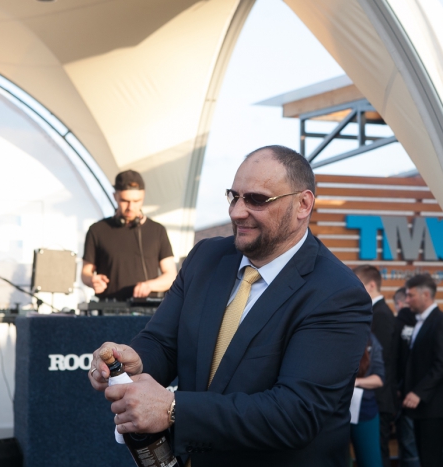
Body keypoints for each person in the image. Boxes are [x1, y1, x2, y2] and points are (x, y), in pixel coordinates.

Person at [88, 145, 372, 466]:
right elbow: (164, 342)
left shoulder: (336, 293)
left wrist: (173, 409)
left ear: (303, 204)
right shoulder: (206, 258)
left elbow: (295, 414)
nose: (237, 212)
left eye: (256, 199)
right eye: (234, 197)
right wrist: (134, 361)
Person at [81, 170, 177, 300]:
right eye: (125, 201)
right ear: (115, 196)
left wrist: (149, 285)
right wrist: (92, 280)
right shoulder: (97, 230)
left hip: (148, 309)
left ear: (143, 196)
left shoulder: (157, 231)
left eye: (136, 201)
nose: (130, 207)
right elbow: (85, 272)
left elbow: (171, 275)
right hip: (109, 308)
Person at [398, 274, 443, 467]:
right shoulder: (420, 322)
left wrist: (419, 392)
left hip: (434, 406)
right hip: (423, 407)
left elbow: (442, 364)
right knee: (426, 459)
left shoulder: (441, 322)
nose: (407, 300)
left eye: (411, 295)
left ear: (426, 295)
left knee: (432, 459)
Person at [353, 264, 397, 467]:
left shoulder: (380, 315)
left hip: (375, 400)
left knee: (376, 455)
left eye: (358, 284)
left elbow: (380, 361)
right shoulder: (374, 313)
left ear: (371, 285)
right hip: (364, 401)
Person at [351, 334, 385, 467]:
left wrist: (356, 382)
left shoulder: (371, 340)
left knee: (370, 460)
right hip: (332, 411)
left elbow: (379, 378)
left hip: (363, 408)